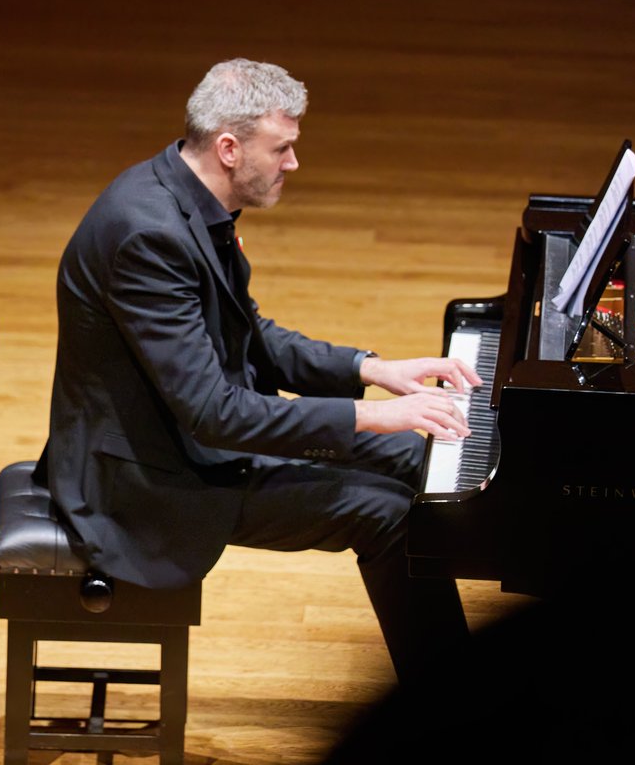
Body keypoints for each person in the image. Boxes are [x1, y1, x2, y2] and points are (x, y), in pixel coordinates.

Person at [39, 58, 481, 687]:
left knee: (421, 461)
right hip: (149, 480)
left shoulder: (186, 198)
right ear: (228, 148)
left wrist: (374, 370)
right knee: (391, 514)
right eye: (282, 148)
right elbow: (213, 412)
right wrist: (370, 415)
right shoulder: (148, 236)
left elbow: (252, 336)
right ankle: (454, 708)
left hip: (189, 441)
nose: (292, 163)